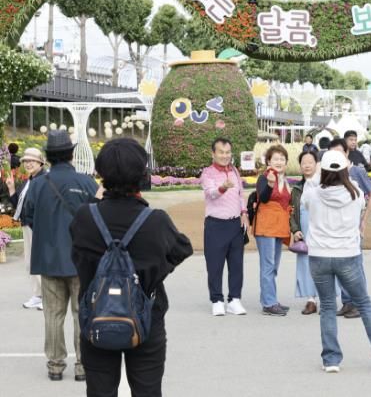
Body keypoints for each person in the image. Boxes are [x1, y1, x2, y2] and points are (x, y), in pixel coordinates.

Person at [71, 138, 193, 396]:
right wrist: (153, 273)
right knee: (147, 391)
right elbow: (182, 249)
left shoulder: (85, 217)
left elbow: (77, 255)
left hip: (96, 314)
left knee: (100, 391)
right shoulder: (155, 220)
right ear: (142, 174)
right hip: (146, 316)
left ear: (101, 174)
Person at [301, 150, 371, 373]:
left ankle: (331, 359)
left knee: (327, 306)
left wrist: (318, 175)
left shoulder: (313, 194)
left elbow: (307, 197)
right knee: (363, 302)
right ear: (345, 171)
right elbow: (356, 191)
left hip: (320, 255)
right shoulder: (355, 194)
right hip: (347, 254)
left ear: (323, 170)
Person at [22, 130, 99, 381]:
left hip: (48, 259)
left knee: (53, 315)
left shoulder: (37, 184)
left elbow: (28, 216)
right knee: (81, 314)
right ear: (70, 154)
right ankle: (83, 365)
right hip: (81, 260)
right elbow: (99, 217)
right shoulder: (86, 182)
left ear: (48, 157)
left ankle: (55, 366)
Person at [327, 138, 371, 319]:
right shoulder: (332, 173)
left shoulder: (356, 171)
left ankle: (359, 303)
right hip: (337, 228)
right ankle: (347, 301)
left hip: (353, 226)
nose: (336, 156)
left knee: (355, 265)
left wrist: (364, 219)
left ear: (347, 153)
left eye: (339, 152)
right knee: (341, 264)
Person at [200, 137, 248, 316]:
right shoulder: (208, 173)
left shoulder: (234, 171)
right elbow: (211, 194)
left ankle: (234, 299)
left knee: (236, 264)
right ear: (213, 153)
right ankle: (217, 300)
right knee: (215, 265)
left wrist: (244, 213)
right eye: (221, 152)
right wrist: (223, 187)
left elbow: (241, 194)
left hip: (235, 224)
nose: (225, 155)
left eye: (228, 152)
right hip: (215, 225)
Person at [6, 147, 47, 309]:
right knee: (30, 262)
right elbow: (20, 206)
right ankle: (38, 295)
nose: (28, 164)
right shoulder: (29, 181)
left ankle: (46, 296)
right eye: (26, 161)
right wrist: (11, 188)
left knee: (39, 261)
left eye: (32, 161)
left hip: (38, 227)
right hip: (27, 226)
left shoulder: (44, 180)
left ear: (40, 163)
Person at [254, 145, 292, 316]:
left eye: (282, 159)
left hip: (279, 227)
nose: (279, 162)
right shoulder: (264, 178)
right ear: (268, 161)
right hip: (266, 227)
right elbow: (263, 198)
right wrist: (270, 184)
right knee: (268, 266)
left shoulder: (285, 180)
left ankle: (270, 300)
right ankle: (269, 303)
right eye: (275, 158)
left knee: (273, 266)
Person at [290, 150, 319, 314]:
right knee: (306, 263)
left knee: (324, 262)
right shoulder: (296, 188)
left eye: (310, 162)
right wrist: (295, 230)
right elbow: (291, 212)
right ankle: (311, 300)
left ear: (316, 164)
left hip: (322, 228)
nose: (307, 166)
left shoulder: (324, 185)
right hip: (304, 228)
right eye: (303, 163)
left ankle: (326, 299)